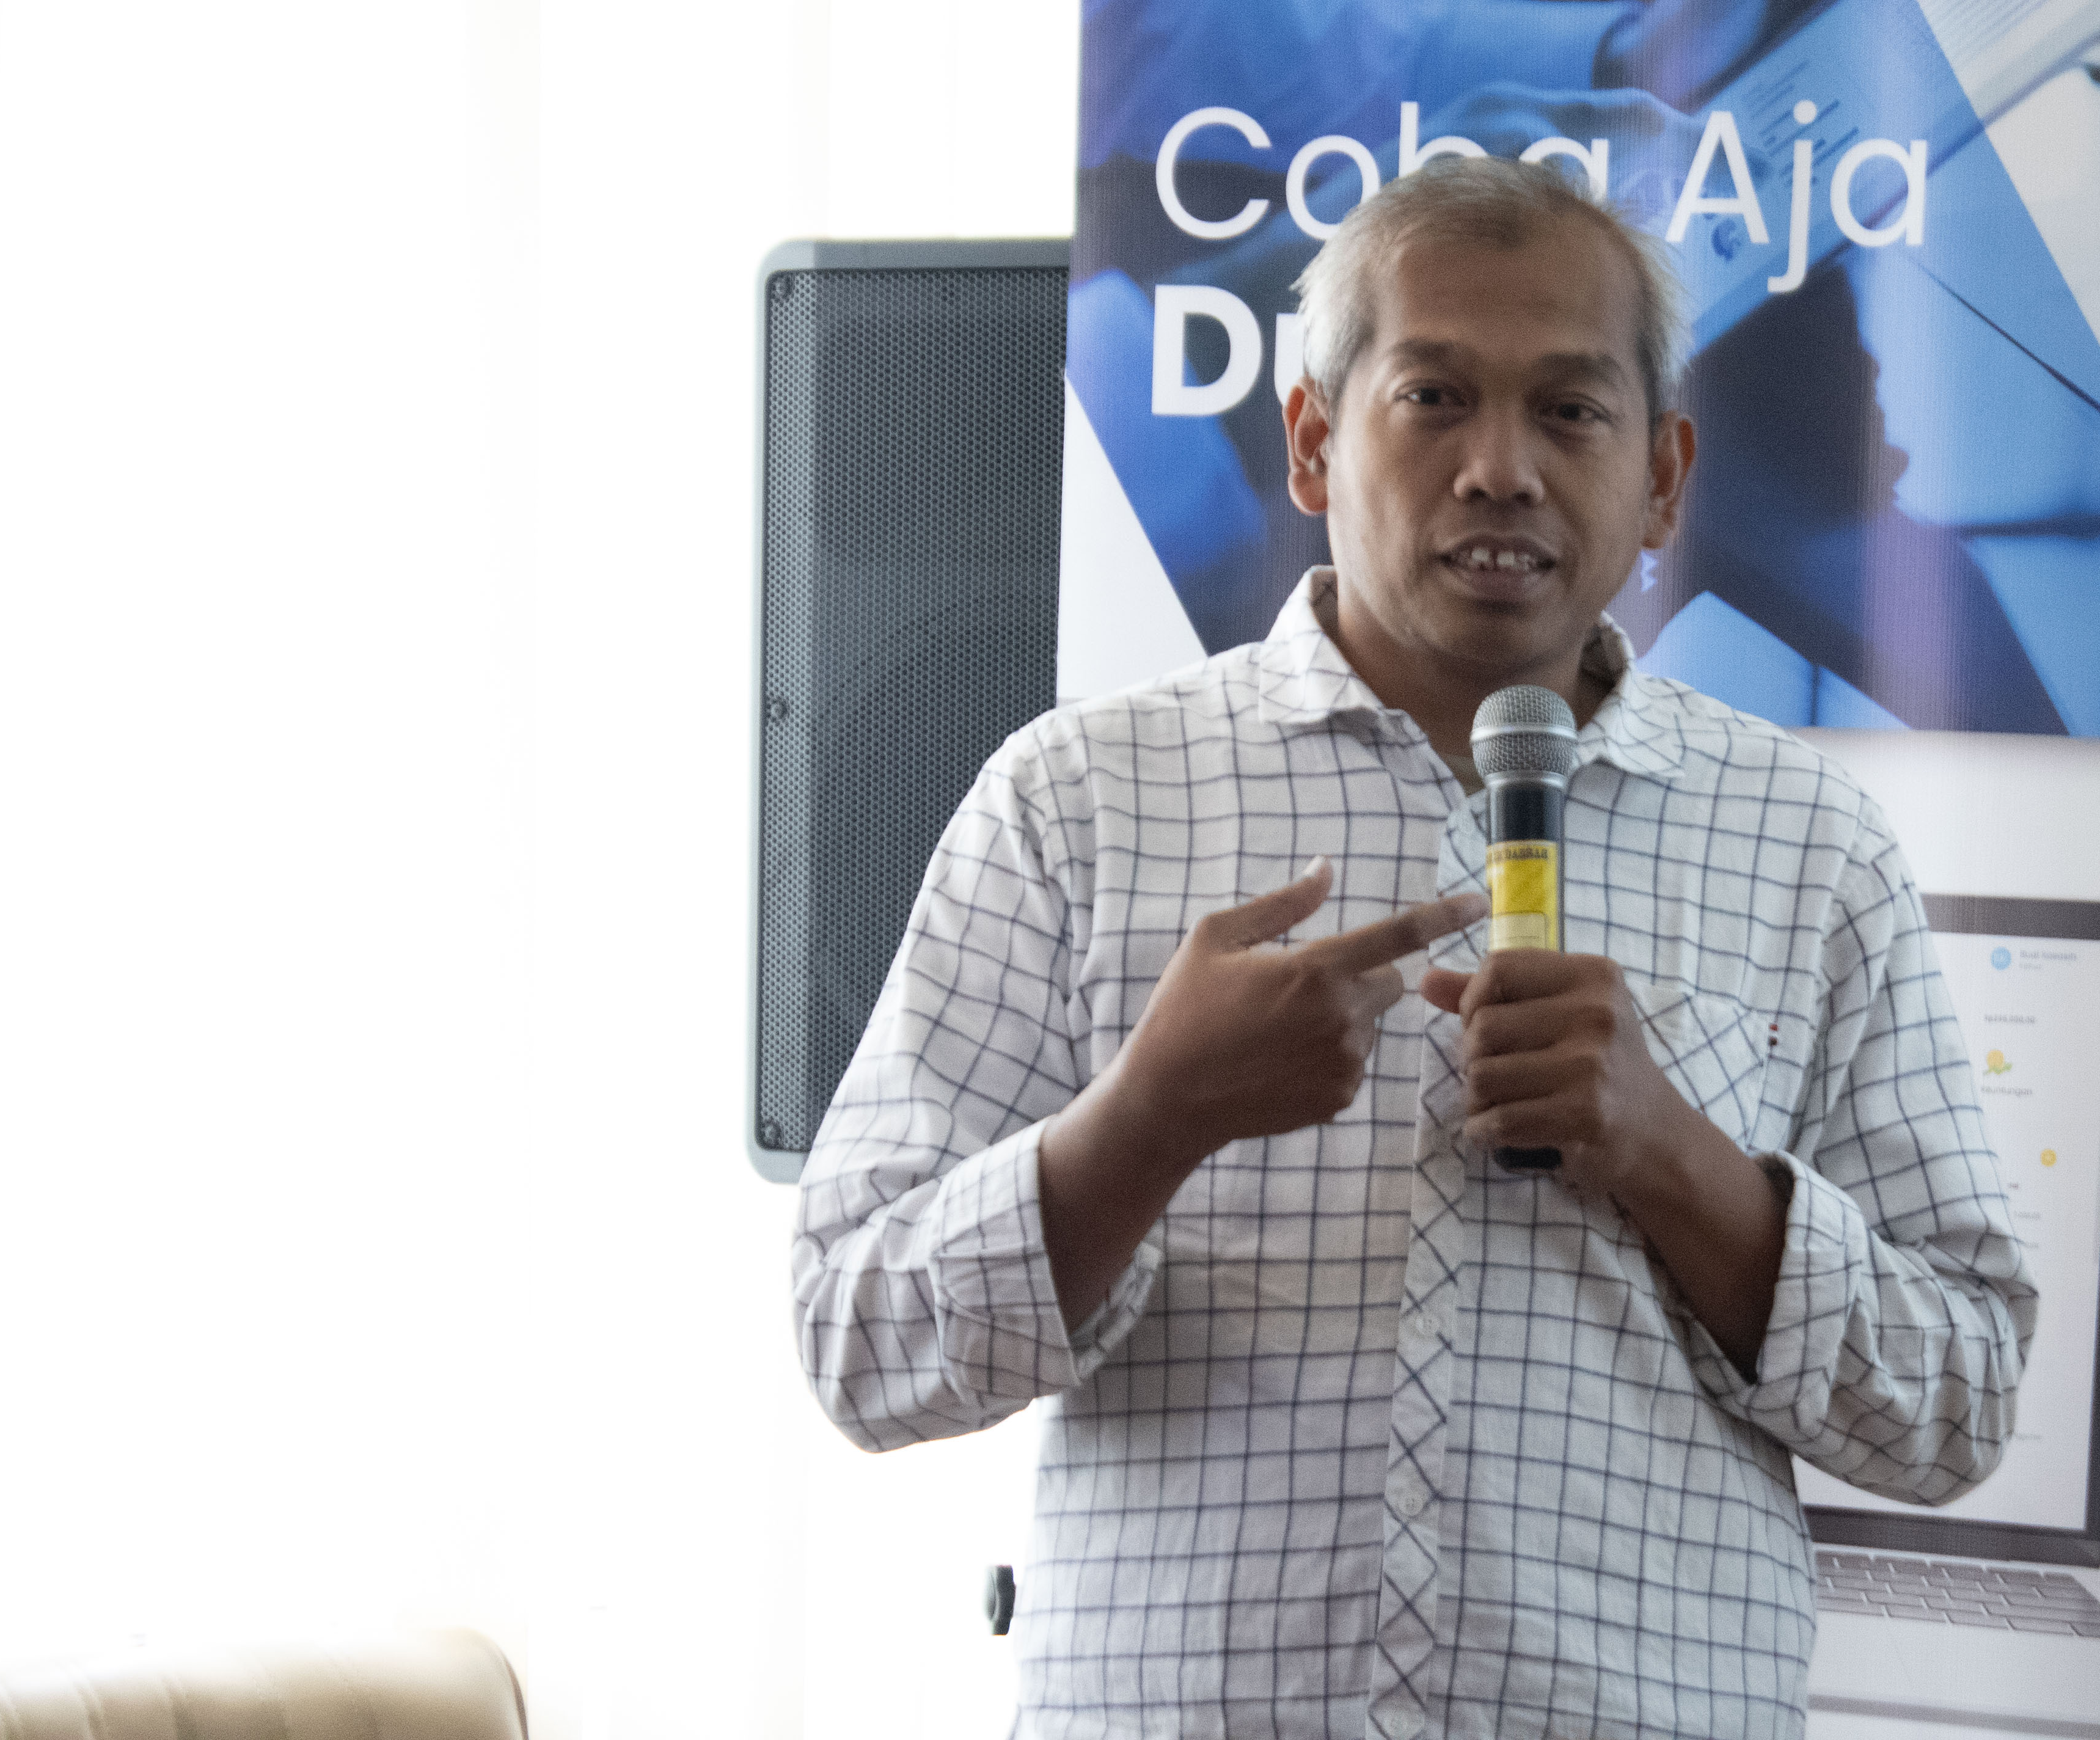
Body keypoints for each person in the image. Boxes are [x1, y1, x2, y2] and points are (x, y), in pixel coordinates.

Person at [792, 155, 2034, 1739]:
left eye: (1570, 412)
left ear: (1664, 477)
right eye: (1434, 398)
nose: (1500, 471)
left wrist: (1678, 1162)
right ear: (1315, 441)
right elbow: (857, 1342)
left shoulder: (1813, 846)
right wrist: (1147, 1122)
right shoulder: (1079, 800)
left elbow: (1959, 1402)